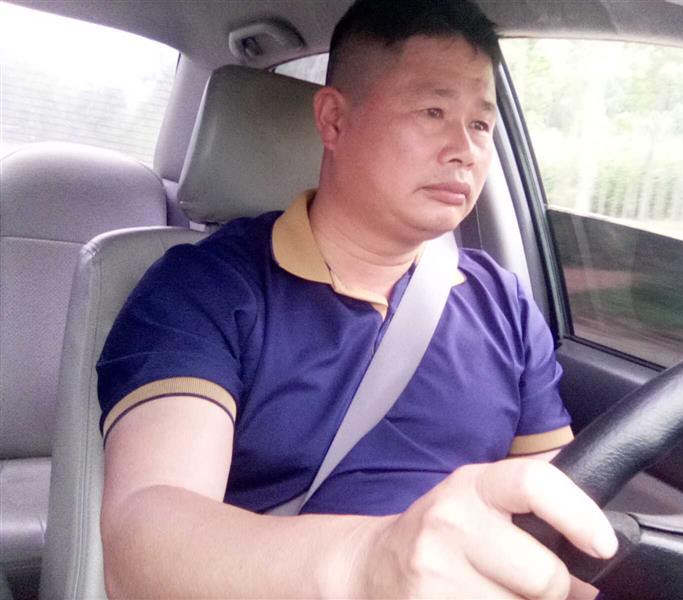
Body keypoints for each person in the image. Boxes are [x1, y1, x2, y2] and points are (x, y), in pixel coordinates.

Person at [97, 0, 618, 597]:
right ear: (335, 121)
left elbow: (560, 515)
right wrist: (366, 564)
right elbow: (144, 543)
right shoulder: (205, 289)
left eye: (480, 124)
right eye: (432, 111)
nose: (465, 149)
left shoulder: (504, 303)